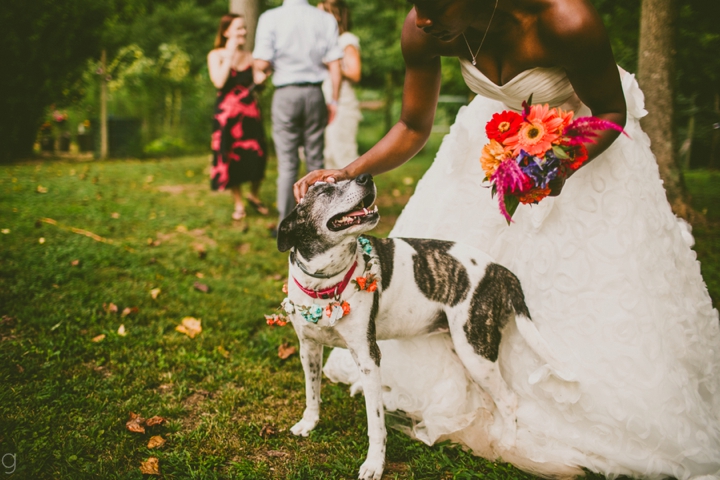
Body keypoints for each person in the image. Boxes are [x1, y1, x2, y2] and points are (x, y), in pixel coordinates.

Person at [294, 0, 720, 478]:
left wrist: (556, 166)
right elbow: (413, 126)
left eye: (435, 6)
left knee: (585, 294)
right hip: (493, 151)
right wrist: (348, 172)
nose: (423, 18)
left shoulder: (567, 21)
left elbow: (611, 111)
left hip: (582, 145)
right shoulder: (423, 29)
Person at [252, 0, 343, 233]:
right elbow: (335, 65)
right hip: (314, 94)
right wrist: (333, 100)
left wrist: (266, 64)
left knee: (287, 164)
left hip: (286, 95)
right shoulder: (325, 19)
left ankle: (286, 225)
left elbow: (261, 63)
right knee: (315, 161)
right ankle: (317, 222)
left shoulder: (270, 18)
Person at [208, 14, 269, 221]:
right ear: (226, 32)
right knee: (231, 157)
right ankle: (238, 203)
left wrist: (261, 81)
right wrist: (230, 54)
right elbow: (219, 81)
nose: (243, 32)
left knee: (258, 155)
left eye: (244, 28)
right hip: (227, 118)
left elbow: (257, 86)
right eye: (238, 28)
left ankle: (254, 194)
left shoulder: (250, 57)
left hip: (250, 115)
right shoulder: (215, 55)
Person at [318, 0, 363, 169]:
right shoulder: (325, 42)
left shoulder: (346, 40)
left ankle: (358, 192)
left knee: (343, 155)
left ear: (336, 16)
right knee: (327, 155)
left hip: (342, 105)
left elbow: (355, 73)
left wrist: (332, 64)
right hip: (325, 102)